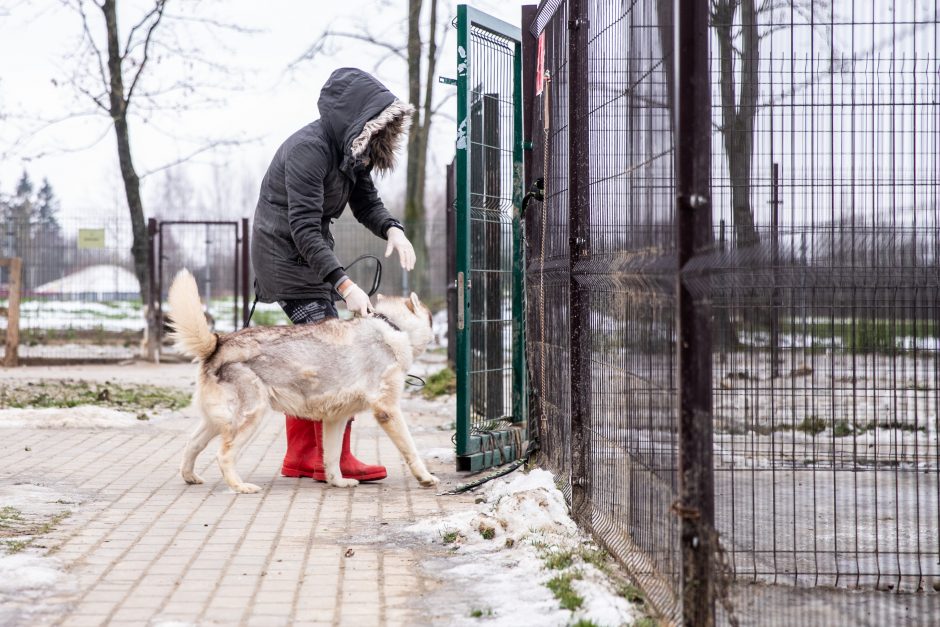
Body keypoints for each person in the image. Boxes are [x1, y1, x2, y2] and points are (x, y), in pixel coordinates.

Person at [251, 67, 417, 482]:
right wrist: (344, 285)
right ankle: (328, 458)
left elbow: (366, 202)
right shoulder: (309, 150)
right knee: (331, 356)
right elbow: (304, 227)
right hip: (284, 257)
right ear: (356, 118)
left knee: (315, 356)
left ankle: (302, 457)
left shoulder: (349, 153)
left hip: (308, 257)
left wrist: (392, 228)